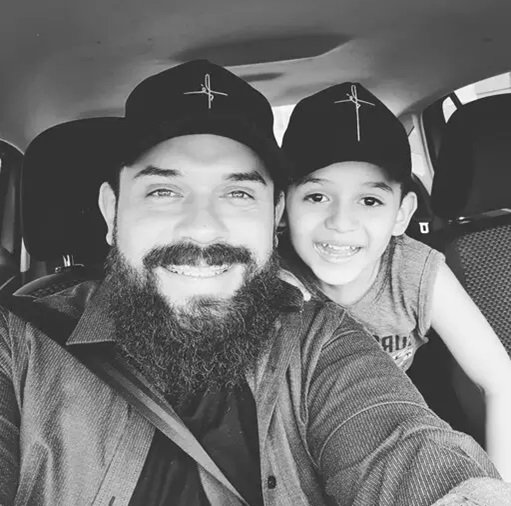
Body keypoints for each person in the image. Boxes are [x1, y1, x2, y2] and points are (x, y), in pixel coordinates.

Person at [0, 61, 510, 506]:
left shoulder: (320, 343)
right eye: (164, 191)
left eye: (239, 194)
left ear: (273, 215)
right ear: (111, 211)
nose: (203, 228)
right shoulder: (18, 346)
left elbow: (402, 446)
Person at [281, 81, 511, 480]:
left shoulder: (414, 270)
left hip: (390, 427)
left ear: (401, 214)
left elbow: (499, 381)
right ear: (283, 206)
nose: (341, 222)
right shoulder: (274, 281)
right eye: (317, 197)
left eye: (370, 200)